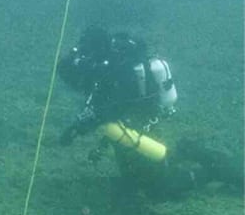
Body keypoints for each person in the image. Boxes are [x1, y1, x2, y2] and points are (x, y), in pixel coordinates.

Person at [58, 26, 242, 197]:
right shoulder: (103, 65)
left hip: (139, 119)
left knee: (159, 188)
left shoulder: (114, 71)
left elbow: (110, 110)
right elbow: (97, 101)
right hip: (129, 120)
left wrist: (78, 128)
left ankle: (212, 169)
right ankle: (185, 151)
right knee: (134, 176)